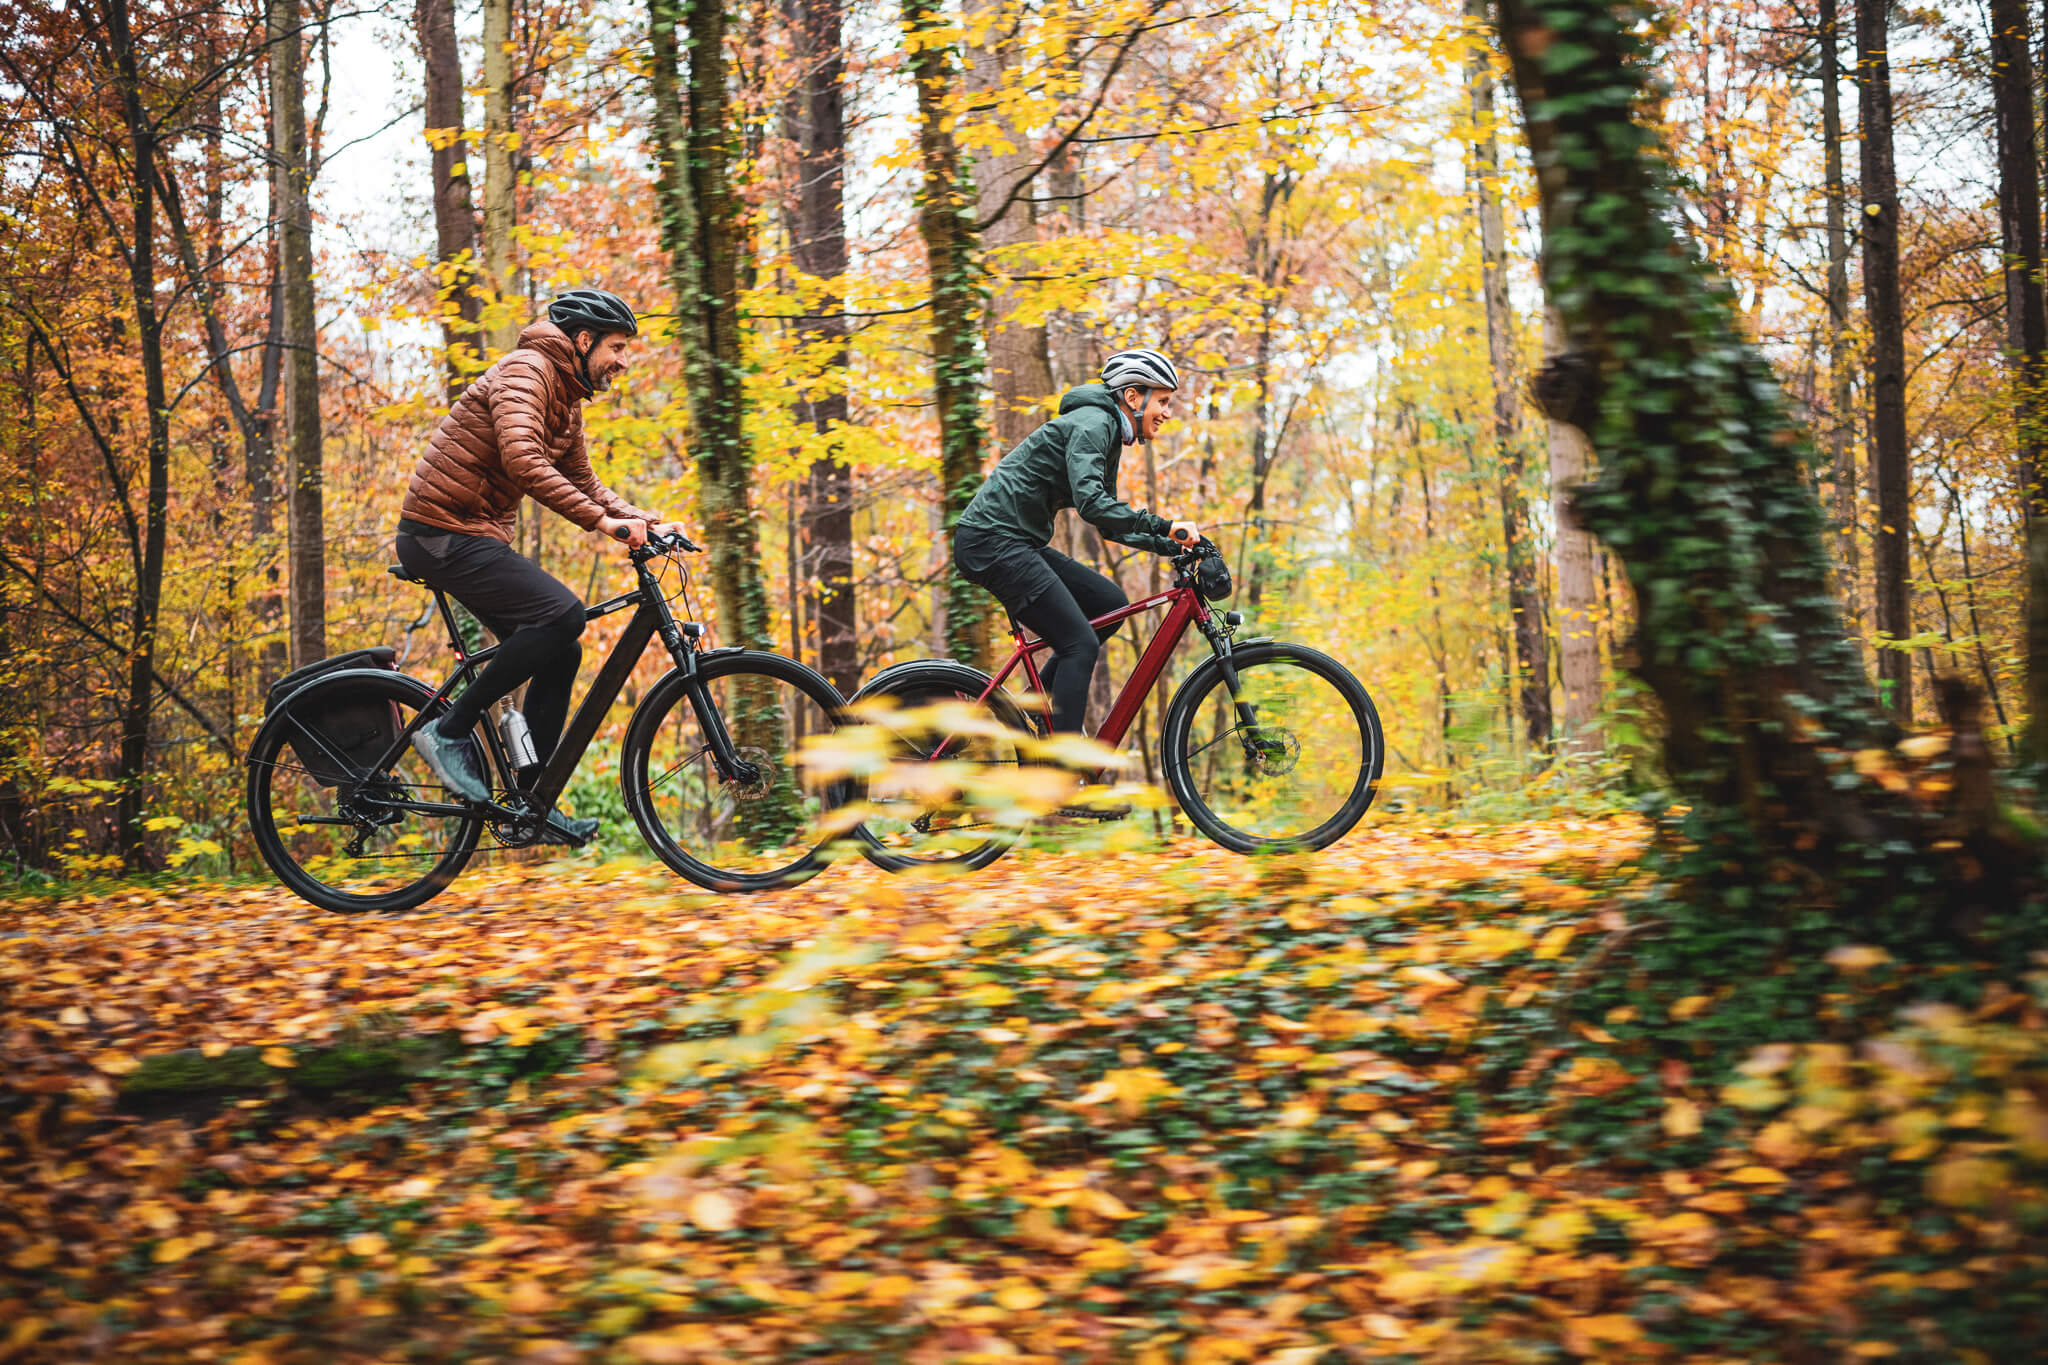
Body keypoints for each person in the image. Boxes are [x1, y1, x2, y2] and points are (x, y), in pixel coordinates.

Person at [395, 288, 686, 842]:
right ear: (583, 341)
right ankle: (449, 730)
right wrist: (603, 525)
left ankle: (533, 802)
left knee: (561, 647)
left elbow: (586, 482)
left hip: (471, 532)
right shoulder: (527, 372)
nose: (623, 361)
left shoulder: (567, 395)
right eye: (617, 347)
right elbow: (523, 459)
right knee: (562, 615)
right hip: (439, 533)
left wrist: (644, 520)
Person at [952, 347, 1200, 737]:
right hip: (992, 541)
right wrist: (1167, 526)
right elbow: (1093, 504)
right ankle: (1065, 774)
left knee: (1110, 605)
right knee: (1078, 645)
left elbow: (1111, 523)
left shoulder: (1108, 431)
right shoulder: (1093, 424)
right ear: (1133, 397)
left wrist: (1171, 544)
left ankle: (1036, 709)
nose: (1167, 412)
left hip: (1013, 540)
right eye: (1163, 401)